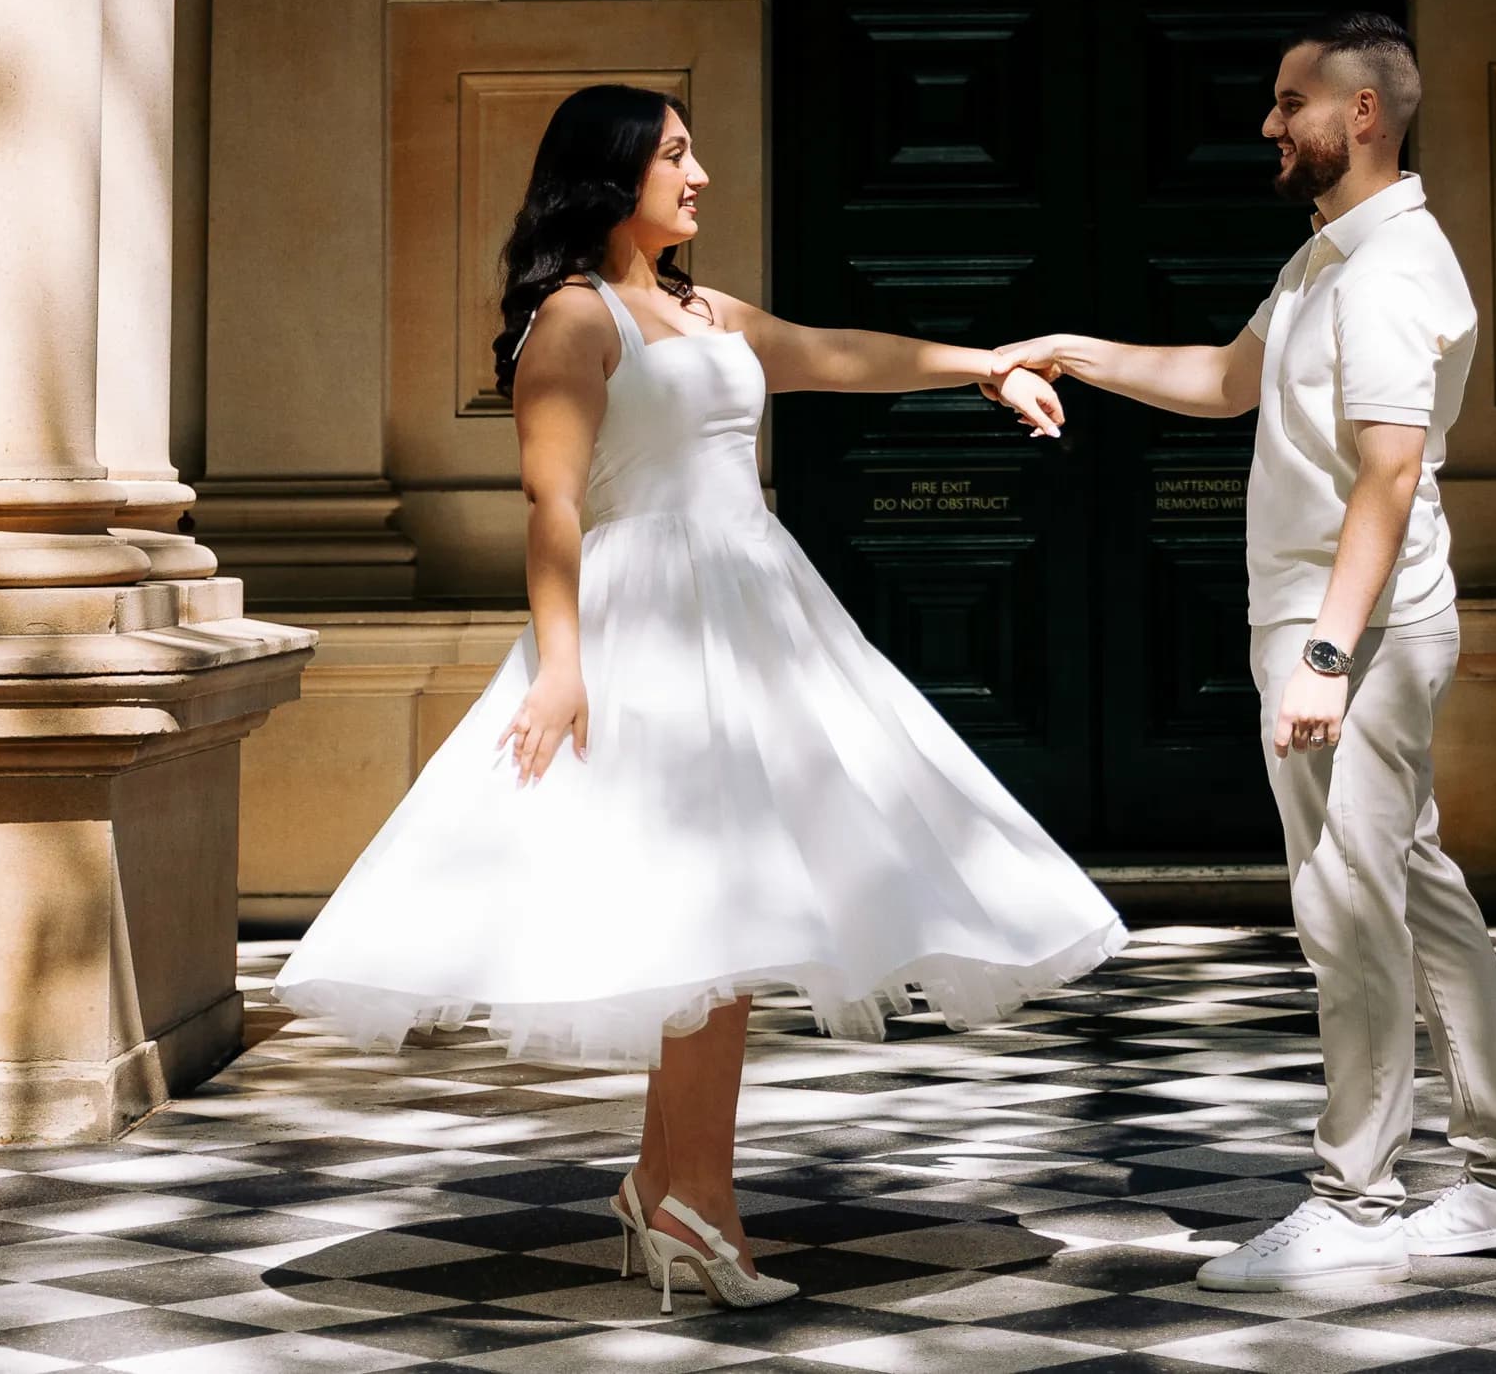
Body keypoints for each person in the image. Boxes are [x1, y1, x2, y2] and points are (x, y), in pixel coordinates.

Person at [276, 83, 1123, 1316]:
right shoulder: (573, 320)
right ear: (613, 173)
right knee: (709, 925)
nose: (703, 173)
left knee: (722, 927)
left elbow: (834, 354)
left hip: (756, 610)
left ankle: (668, 1184)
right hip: (650, 627)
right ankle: (695, 1200)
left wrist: (986, 366)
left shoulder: (700, 306)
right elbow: (554, 503)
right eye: (678, 153)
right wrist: (563, 665)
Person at [991, 10, 1496, 1290]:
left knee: (1347, 900)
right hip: (1340, 624)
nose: (1268, 121)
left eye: (1290, 99)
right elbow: (1226, 379)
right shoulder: (1327, 258)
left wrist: (1323, 653)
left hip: (1351, 630)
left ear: (1361, 112)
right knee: (1408, 885)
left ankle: (1354, 1204)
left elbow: (1390, 471)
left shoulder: (1388, 268)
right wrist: (1069, 348)